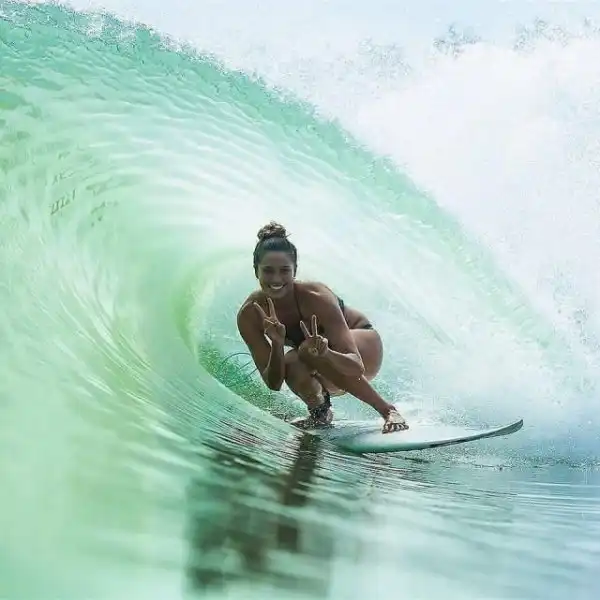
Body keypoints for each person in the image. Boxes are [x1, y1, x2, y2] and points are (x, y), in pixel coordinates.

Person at [236, 221, 408, 433]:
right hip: (318, 358)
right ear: (256, 271)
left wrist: (326, 353)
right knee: (294, 359)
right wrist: (277, 345)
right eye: (268, 271)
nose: (276, 279)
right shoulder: (250, 314)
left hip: (363, 348)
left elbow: (356, 366)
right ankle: (320, 414)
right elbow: (274, 383)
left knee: (307, 351)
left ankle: (388, 410)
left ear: (295, 271)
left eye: (284, 270)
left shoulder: (315, 296)